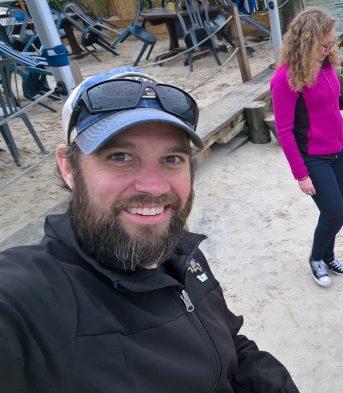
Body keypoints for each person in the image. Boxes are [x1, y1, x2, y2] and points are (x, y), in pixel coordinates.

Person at [0, 68, 299, 392]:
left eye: (172, 158)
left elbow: (231, 347)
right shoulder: (33, 298)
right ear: (69, 167)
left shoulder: (182, 252)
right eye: (120, 156)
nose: (154, 187)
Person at [270, 7, 343, 287]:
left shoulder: (326, 67)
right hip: (313, 159)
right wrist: (300, 175)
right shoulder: (285, 78)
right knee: (335, 214)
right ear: (306, 41)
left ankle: (329, 256)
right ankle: (316, 259)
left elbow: (331, 103)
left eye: (331, 43)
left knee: (332, 213)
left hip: (338, 154)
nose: (329, 49)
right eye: (323, 44)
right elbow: (285, 131)